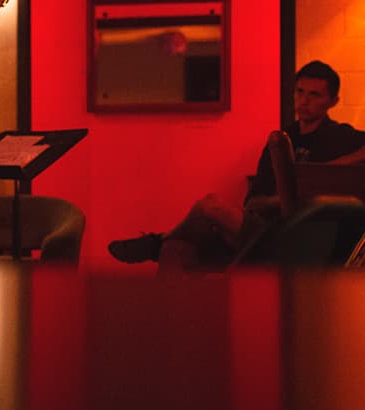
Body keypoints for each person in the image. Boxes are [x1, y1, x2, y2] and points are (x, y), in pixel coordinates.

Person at [109, 60, 365, 268]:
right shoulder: (280, 140)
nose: (304, 101)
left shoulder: (341, 137)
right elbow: (252, 203)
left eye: (315, 95)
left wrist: (337, 166)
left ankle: (155, 241)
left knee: (210, 205)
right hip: (267, 228)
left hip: (307, 236)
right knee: (178, 246)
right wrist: (286, 195)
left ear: (333, 101)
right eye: (300, 92)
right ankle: (171, 321)